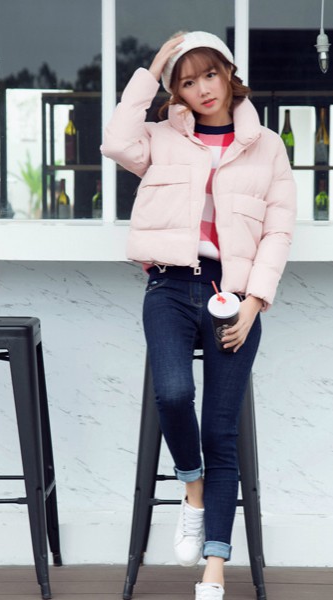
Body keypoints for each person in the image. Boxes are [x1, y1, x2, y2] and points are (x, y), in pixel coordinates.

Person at [101, 30, 296, 600]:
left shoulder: (268, 147)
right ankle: (193, 488)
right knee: (171, 393)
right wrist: (155, 65)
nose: (203, 89)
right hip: (168, 286)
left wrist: (254, 302)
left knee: (220, 431)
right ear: (176, 92)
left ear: (229, 74)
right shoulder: (161, 138)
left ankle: (215, 566)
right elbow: (115, 142)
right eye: (187, 82)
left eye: (210, 74)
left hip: (233, 296)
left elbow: (279, 230)